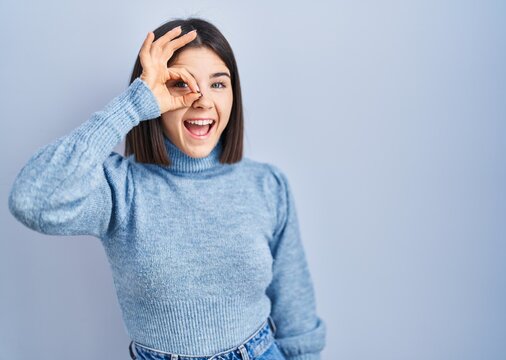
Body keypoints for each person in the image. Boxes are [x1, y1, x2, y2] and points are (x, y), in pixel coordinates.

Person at [8, 17, 326, 360]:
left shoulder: (268, 185)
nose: (203, 101)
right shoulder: (119, 189)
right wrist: (133, 104)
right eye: (181, 84)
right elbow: (32, 199)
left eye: (218, 84)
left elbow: (297, 314)